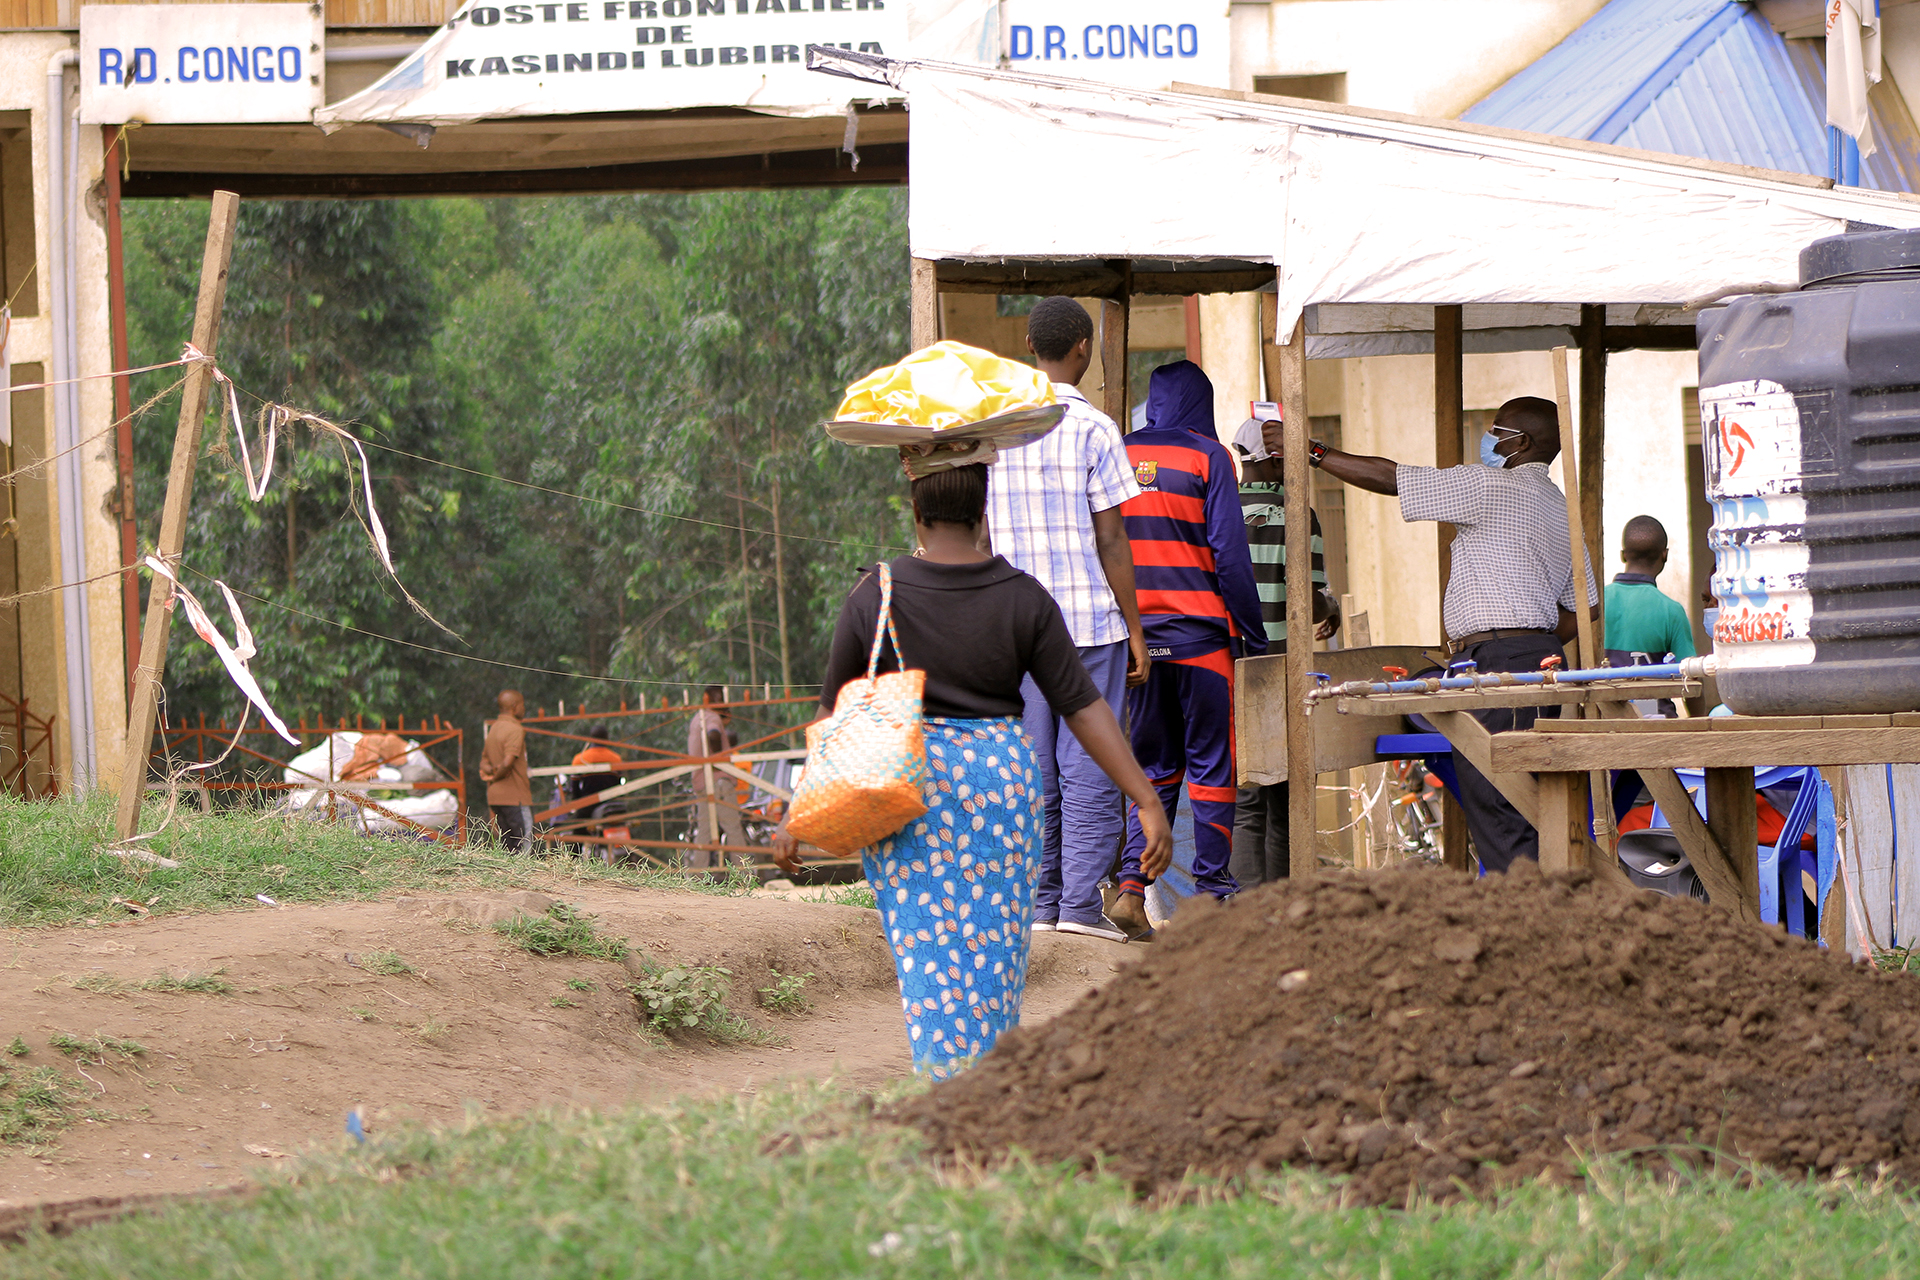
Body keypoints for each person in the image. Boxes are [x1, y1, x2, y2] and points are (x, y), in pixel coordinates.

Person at [771, 459, 1172, 1079]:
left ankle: (942, 1086)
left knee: (925, 945)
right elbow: (1085, 707)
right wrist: (1144, 799)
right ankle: (985, 1086)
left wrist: (799, 812)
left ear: (915, 510)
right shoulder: (1023, 596)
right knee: (996, 950)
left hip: (908, 790)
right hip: (1001, 786)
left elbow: (831, 708)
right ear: (985, 509)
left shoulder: (874, 594)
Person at [1277, 396, 1597, 873]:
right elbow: (1585, 606)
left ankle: (1527, 917)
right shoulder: (1558, 505)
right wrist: (1536, 636)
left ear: (1522, 442)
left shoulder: (1492, 485)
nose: (1487, 439)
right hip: (1538, 658)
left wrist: (1313, 451)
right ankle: (1540, 907)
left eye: (1497, 431)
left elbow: (1394, 478)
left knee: (1500, 803)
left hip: (1501, 661)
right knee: (1525, 797)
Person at [984, 296, 1149, 944]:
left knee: (1034, 770)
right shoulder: (1096, 429)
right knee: (1089, 767)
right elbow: (1113, 541)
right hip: (1087, 628)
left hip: (1017, 630)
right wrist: (1136, 629)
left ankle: (1038, 906)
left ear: (1030, 345)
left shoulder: (998, 425)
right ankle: (1080, 909)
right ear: (1083, 347)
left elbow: (983, 529)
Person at [1114, 361, 1268, 920]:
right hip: (1201, 640)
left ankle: (1131, 888)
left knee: (1150, 766)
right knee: (1210, 764)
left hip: (1134, 646)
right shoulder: (1210, 456)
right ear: (1200, 403)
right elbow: (1230, 555)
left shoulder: (1118, 452)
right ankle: (1212, 893)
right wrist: (1254, 634)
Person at [1228, 417, 1341, 889]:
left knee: (1246, 799)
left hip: (1234, 668)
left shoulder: (1220, 509)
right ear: (1276, 458)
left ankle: (1246, 914)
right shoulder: (1300, 514)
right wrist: (1329, 604)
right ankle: (1281, 908)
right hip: (1285, 671)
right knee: (1285, 795)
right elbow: (1310, 596)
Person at [1605, 515, 1697, 666]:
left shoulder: (1595, 603)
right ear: (1664, 555)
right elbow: (1689, 674)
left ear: (1623, 555)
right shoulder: (1672, 611)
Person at [687, 687, 744, 869]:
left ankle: (698, 876)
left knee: (703, 831)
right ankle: (745, 875)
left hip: (703, 781)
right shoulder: (712, 718)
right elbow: (713, 734)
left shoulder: (699, 717)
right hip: (718, 781)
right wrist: (718, 759)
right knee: (733, 829)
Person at [479, 689, 533, 854]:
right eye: (522, 705)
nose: (524, 709)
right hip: (515, 797)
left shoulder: (494, 729)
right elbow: (509, 761)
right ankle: (525, 879)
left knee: (509, 847)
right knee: (524, 846)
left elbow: (483, 763)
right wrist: (498, 775)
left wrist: (492, 773)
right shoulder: (515, 729)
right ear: (514, 707)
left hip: (496, 799)